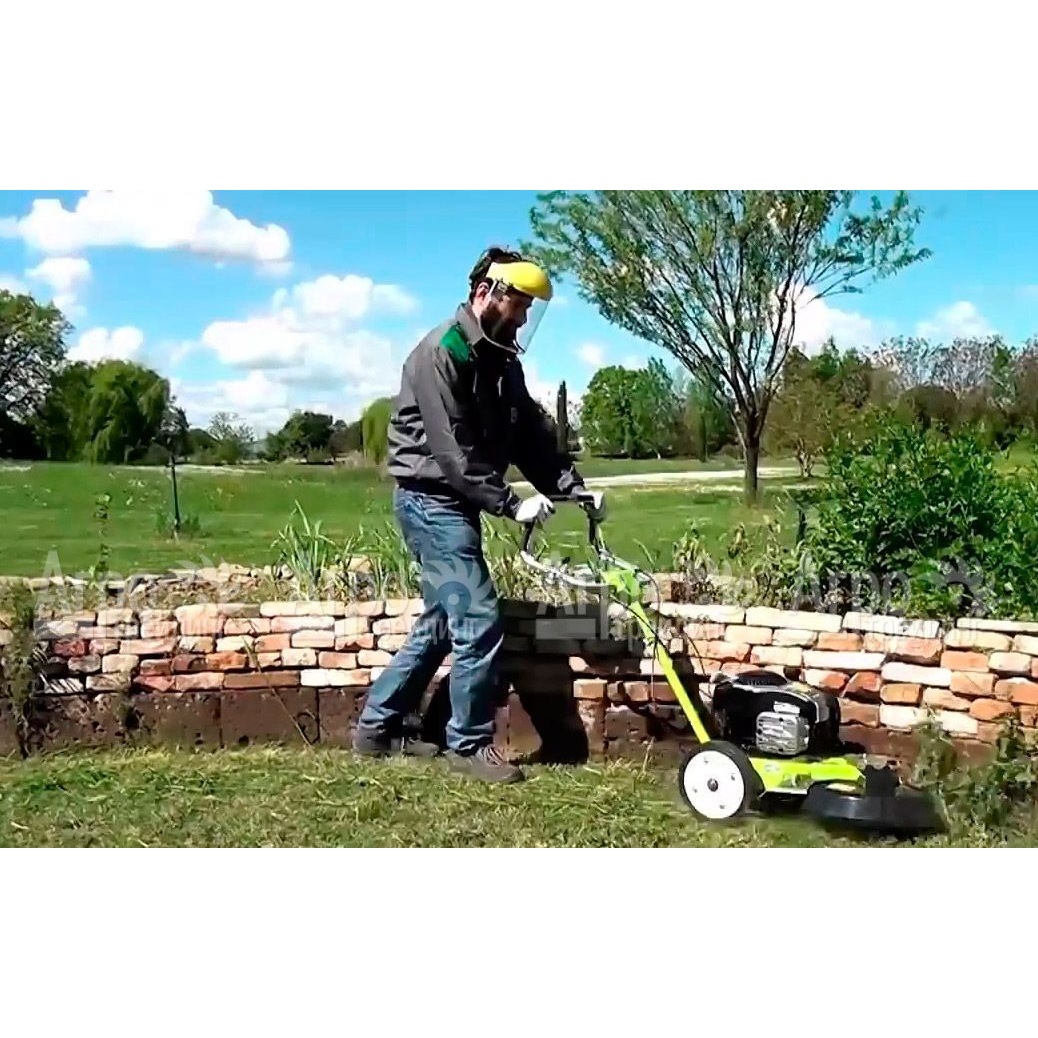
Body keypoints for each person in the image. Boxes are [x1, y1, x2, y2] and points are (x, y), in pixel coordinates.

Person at [352, 246, 605, 783]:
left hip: (456, 503)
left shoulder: (502, 360)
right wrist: (511, 503)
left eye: (530, 309)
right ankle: (467, 746)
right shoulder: (440, 353)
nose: (524, 319)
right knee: (478, 618)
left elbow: (531, 437)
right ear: (486, 293)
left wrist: (574, 489)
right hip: (429, 502)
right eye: (519, 305)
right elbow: (453, 451)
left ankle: (377, 729)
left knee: (444, 621)